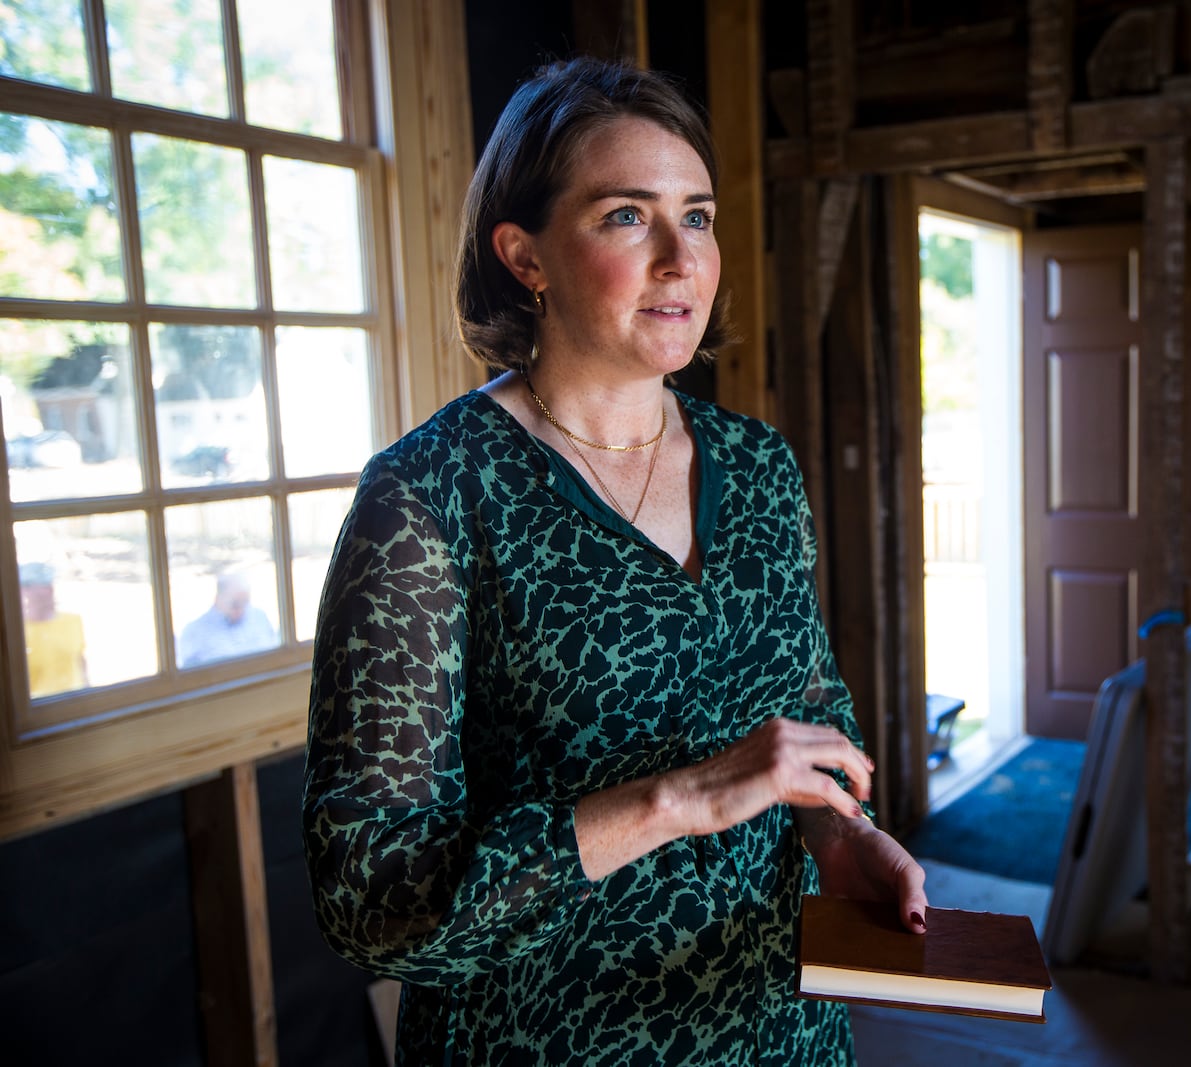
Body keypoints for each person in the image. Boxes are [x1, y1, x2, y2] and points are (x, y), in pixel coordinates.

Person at [302, 56, 927, 1066]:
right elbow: (374, 906)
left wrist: (839, 832)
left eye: (701, 214)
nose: (683, 256)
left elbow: (806, 706)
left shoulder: (758, 466)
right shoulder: (428, 498)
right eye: (627, 216)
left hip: (775, 1031)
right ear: (526, 256)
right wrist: (680, 797)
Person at [177, 572, 278, 668]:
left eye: (245, 603)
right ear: (218, 599)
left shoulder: (259, 617)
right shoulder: (194, 632)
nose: (242, 610)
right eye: (235, 604)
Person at [19, 561, 87, 696]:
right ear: (24, 591)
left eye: (49, 584)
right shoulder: (16, 632)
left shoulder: (72, 621)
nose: (49, 589)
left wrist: (89, 692)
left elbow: (81, 660)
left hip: (75, 700)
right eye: (41, 585)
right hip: (39, 709)